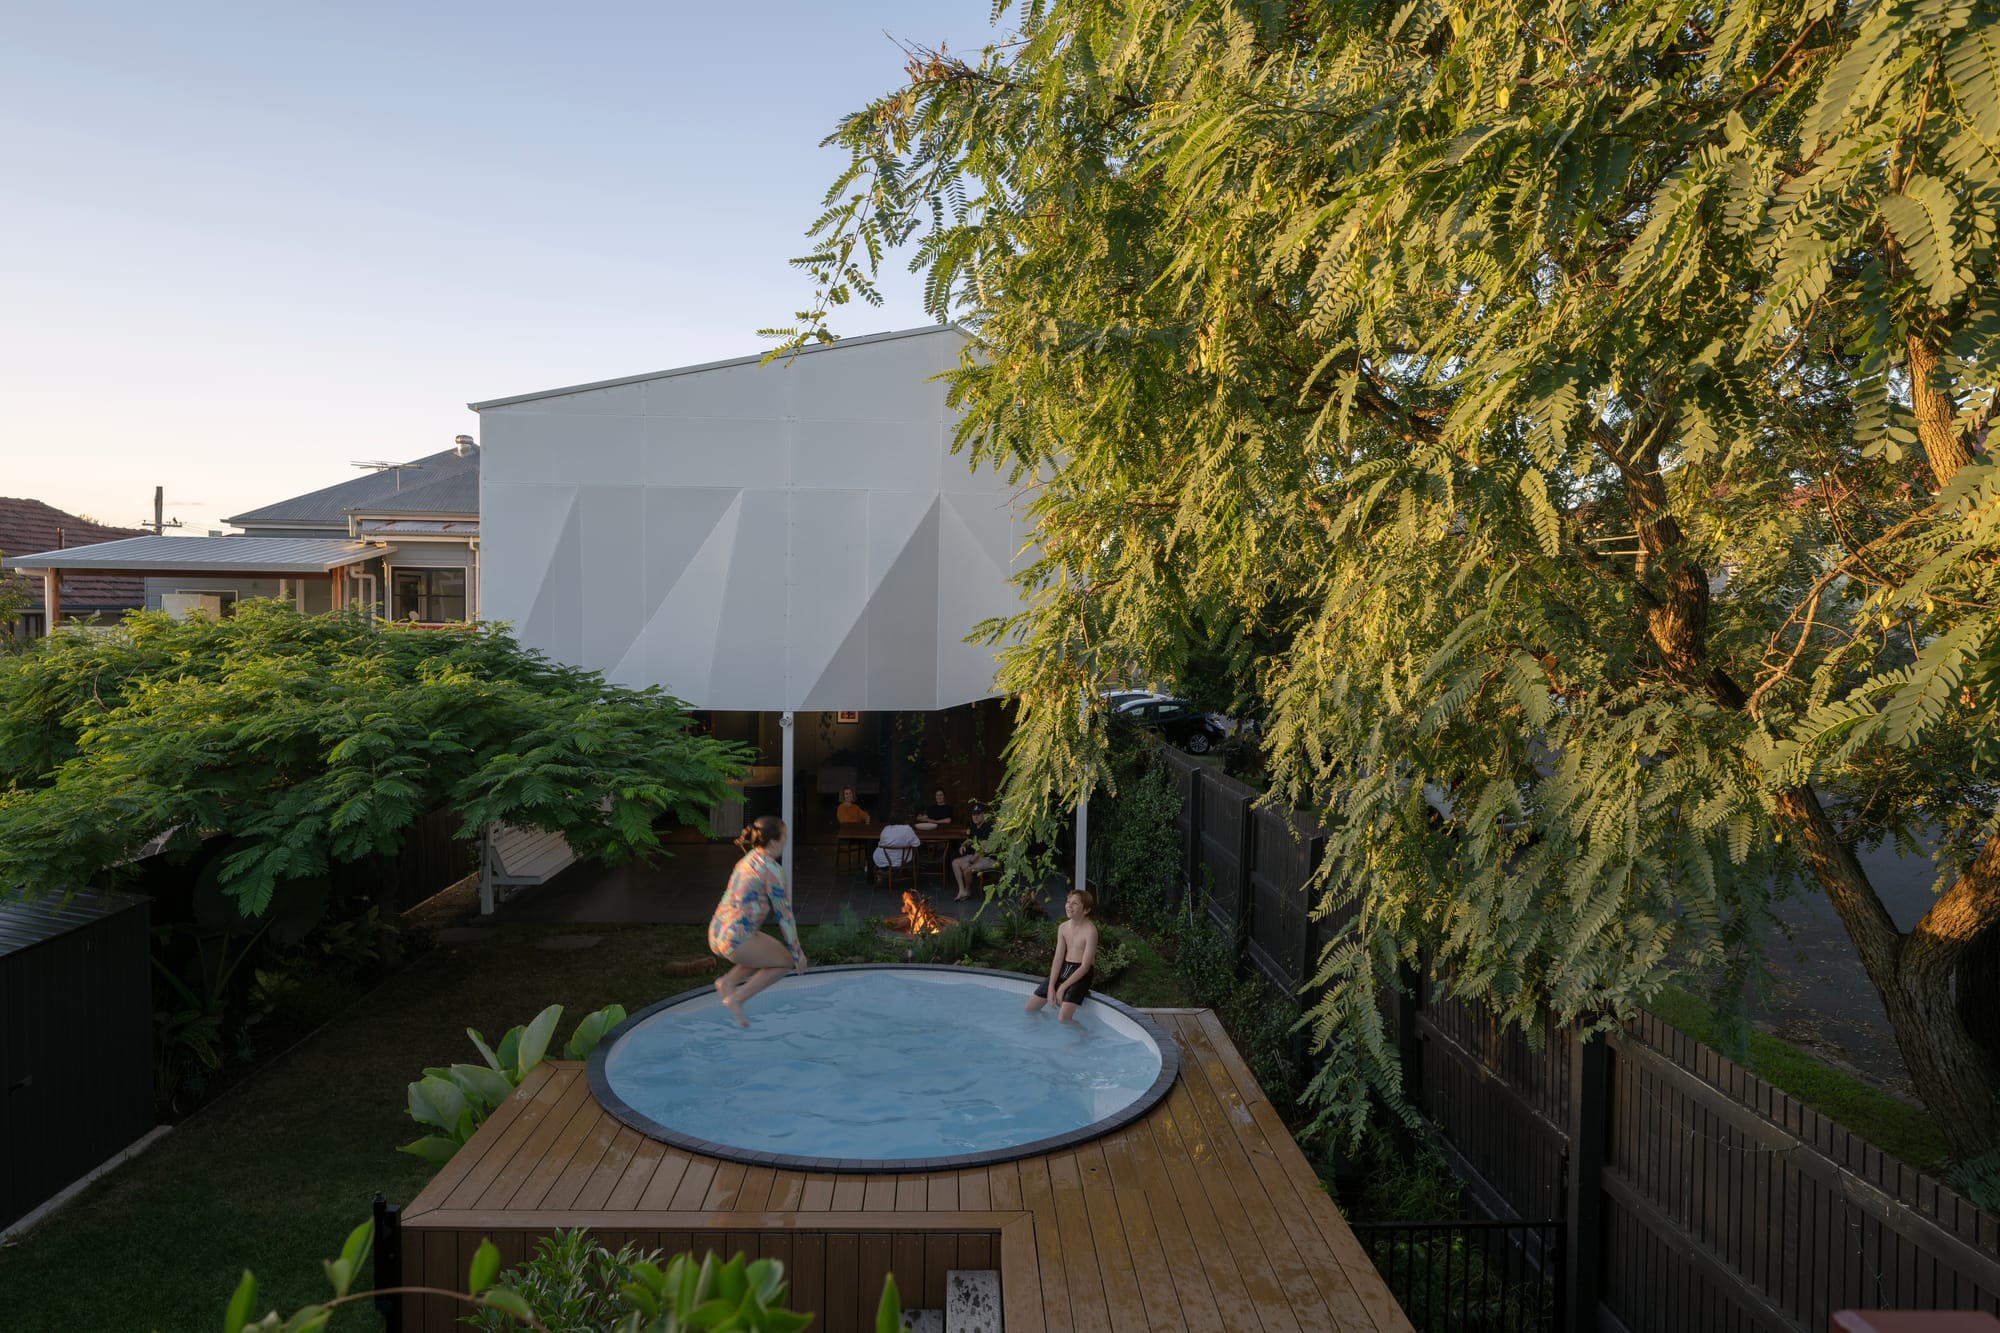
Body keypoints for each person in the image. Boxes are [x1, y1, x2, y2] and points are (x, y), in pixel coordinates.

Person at [708, 816, 806, 1026]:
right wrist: (797, 952)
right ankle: (736, 999)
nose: (786, 842)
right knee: (784, 962)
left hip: (717, 931)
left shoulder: (748, 858)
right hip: (735, 939)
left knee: (771, 952)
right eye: (784, 838)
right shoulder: (772, 870)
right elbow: (785, 915)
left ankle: (727, 982)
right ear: (773, 842)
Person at [1026, 888, 1098, 1022]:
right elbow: (1058, 959)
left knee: (1063, 1018)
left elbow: (1085, 967)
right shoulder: (1063, 928)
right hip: (1064, 968)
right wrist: (1051, 986)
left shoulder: (1090, 931)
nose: (1069, 905)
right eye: (1068, 901)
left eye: (1075, 903)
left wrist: (1063, 987)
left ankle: (1083, 1036)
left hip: (1081, 973)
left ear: (1086, 910)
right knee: (1030, 1009)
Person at [952, 801, 997, 902]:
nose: (975, 817)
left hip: (988, 858)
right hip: (976, 856)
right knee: (955, 863)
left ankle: (967, 891)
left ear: (983, 815)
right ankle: (962, 890)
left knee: (967, 869)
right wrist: (963, 845)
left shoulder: (988, 827)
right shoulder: (973, 827)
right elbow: (969, 840)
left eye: (978, 814)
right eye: (973, 814)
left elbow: (982, 848)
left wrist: (970, 862)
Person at [869, 808, 923, 883]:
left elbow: (881, 844)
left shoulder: (886, 829)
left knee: (872, 852)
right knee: (917, 851)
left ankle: (872, 879)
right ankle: (916, 877)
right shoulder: (907, 829)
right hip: (902, 860)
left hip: (885, 859)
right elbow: (917, 843)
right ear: (904, 819)